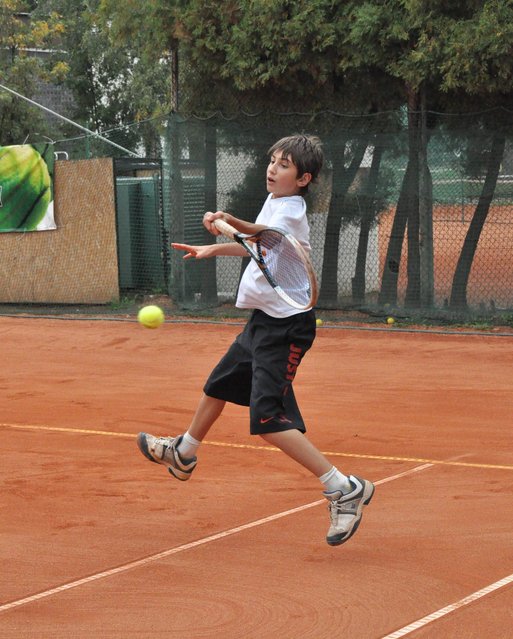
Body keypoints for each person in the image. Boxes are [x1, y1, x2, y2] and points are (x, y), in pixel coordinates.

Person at [137, 134, 374, 546]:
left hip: (287, 329)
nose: (273, 168)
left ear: (303, 179)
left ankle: (342, 487)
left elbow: (262, 233)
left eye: (284, 165)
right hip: (263, 322)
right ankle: (184, 452)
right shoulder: (276, 202)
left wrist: (230, 221)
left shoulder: (293, 211)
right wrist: (214, 249)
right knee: (219, 384)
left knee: (267, 420)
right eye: (273, 161)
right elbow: (258, 248)